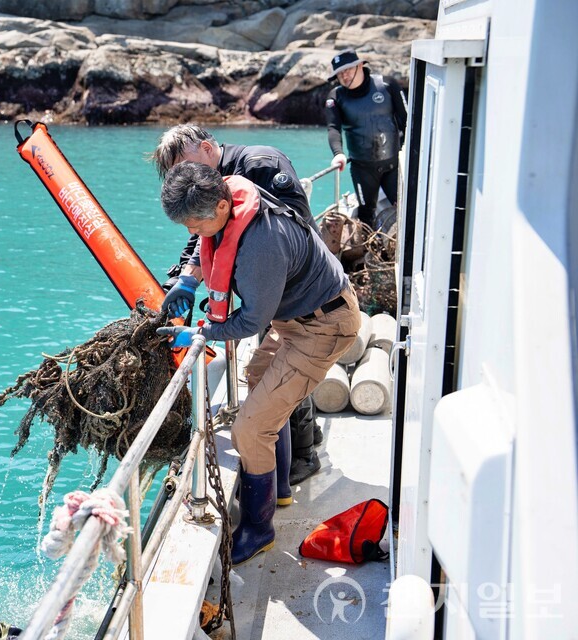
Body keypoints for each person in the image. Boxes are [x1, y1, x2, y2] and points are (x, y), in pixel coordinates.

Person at [156, 162, 361, 565]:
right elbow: (206, 241)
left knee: (249, 430)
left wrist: (199, 333)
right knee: (256, 379)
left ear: (220, 207)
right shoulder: (229, 196)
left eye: (195, 223)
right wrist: (189, 279)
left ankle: (259, 528)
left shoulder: (262, 245)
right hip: (296, 318)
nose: (192, 232)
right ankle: (279, 487)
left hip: (323, 326)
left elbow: (250, 322)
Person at [151, 123, 325, 495]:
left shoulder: (261, 164)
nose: (185, 175)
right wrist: (186, 279)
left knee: (283, 369)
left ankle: (304, 453)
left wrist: (252, 282)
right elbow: (204, 237)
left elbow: (291, 222)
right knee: (276, 370)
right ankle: (304, 437)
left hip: (293, 284)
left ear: (206, 147)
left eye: (185, 164)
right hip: (265, 288)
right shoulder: (207, 187)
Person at [324, 49, 407, 230]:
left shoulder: (387, 85)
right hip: (362, 167)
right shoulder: (336, 97)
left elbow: (407, 120)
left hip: (394, 164)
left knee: (404, 206)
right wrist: (338, 154)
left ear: (360, 65)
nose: (344, 76)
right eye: (339, 73)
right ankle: (370, 243)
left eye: (347, 69)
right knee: (366, 213)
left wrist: (409, 150)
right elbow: (333, 128)